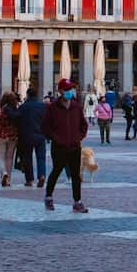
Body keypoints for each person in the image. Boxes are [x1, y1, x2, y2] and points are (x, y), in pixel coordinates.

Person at [42, 78, 90, 213]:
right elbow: (46, 127)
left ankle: (77, 202)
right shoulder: (53, 107)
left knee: (76, 175)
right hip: (59, 147)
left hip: (74, 146)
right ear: (61, 91)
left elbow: (83, 125)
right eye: (67, 89)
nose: (70, 91)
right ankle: (49, 197)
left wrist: (78, 137)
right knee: (56, 171)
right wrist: (56, 139)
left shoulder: (76, 106)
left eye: (71, 89)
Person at [8, 87, 48, 187]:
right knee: (41, 158)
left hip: (26, 137)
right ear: (37, 95)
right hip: (40, 135)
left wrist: (7, 110)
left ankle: (29, 180)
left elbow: (15, 117)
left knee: (27, 158)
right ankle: (42, 175)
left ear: (28, 95)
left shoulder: (24, 106)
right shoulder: (42, 106)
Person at [0, 91, 20, 187]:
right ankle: (9, 180)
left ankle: (4, 173)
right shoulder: (16, 109)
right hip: (13, 136)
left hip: (0, 135)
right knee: (9, 157)